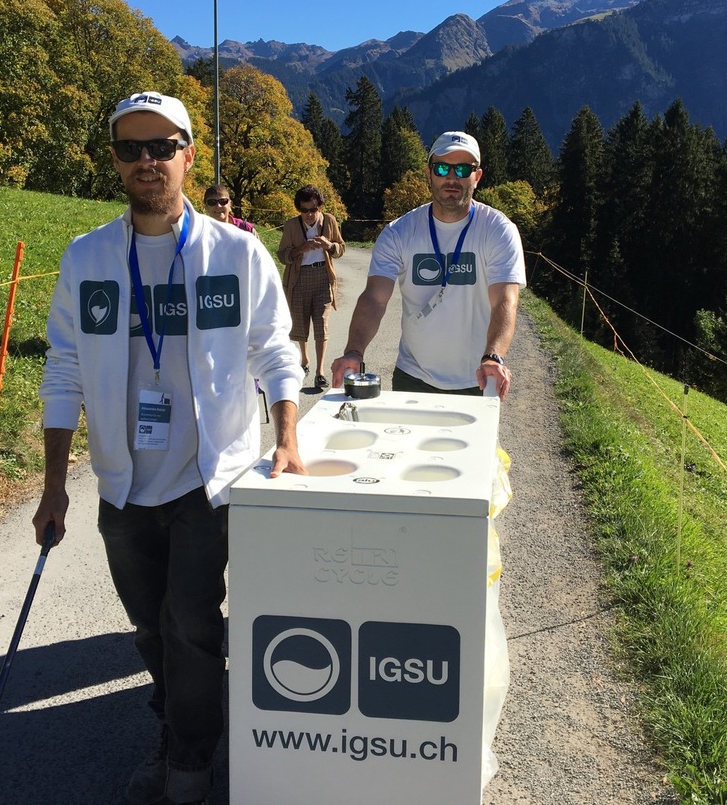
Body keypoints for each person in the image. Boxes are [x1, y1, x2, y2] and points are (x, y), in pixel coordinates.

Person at [32, 91, 305, 805]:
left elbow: (274, 349)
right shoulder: (87, 257)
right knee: (148, 627)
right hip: (121, 485)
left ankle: (190, 757)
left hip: (207, 478)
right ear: (116, 160)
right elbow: (62, 370)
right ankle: (174, 723)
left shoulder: (235, 252)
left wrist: (288, 440)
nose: (148, 161)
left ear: (190, 153)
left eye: (163, 146)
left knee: (188, 624)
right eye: (131, 148)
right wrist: (55, 486)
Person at [330, 130, 525, 399]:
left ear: (477, 176)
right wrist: (354, 351)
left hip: (479, 378)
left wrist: (494, 356)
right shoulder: (399, 232)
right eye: (442, 167)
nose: (452, 178)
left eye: (463, 169)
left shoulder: (498, 230)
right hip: (413, 377)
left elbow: (505, 300)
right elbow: (375, 298)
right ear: (429, 173)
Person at [277, 184, 346, 389]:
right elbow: (282, 255)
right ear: (299, 209)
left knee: (321, 324)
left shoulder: (330, 221)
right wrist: (301, 249)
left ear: (320, 207)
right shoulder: (291, 226)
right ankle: (305, 360)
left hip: (323, 277)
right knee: (299, 323)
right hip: (298, 279)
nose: (309, 214)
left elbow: (341, 248)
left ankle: (320, 372)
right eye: (304, 210)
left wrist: (329, 246)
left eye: (313, 209)